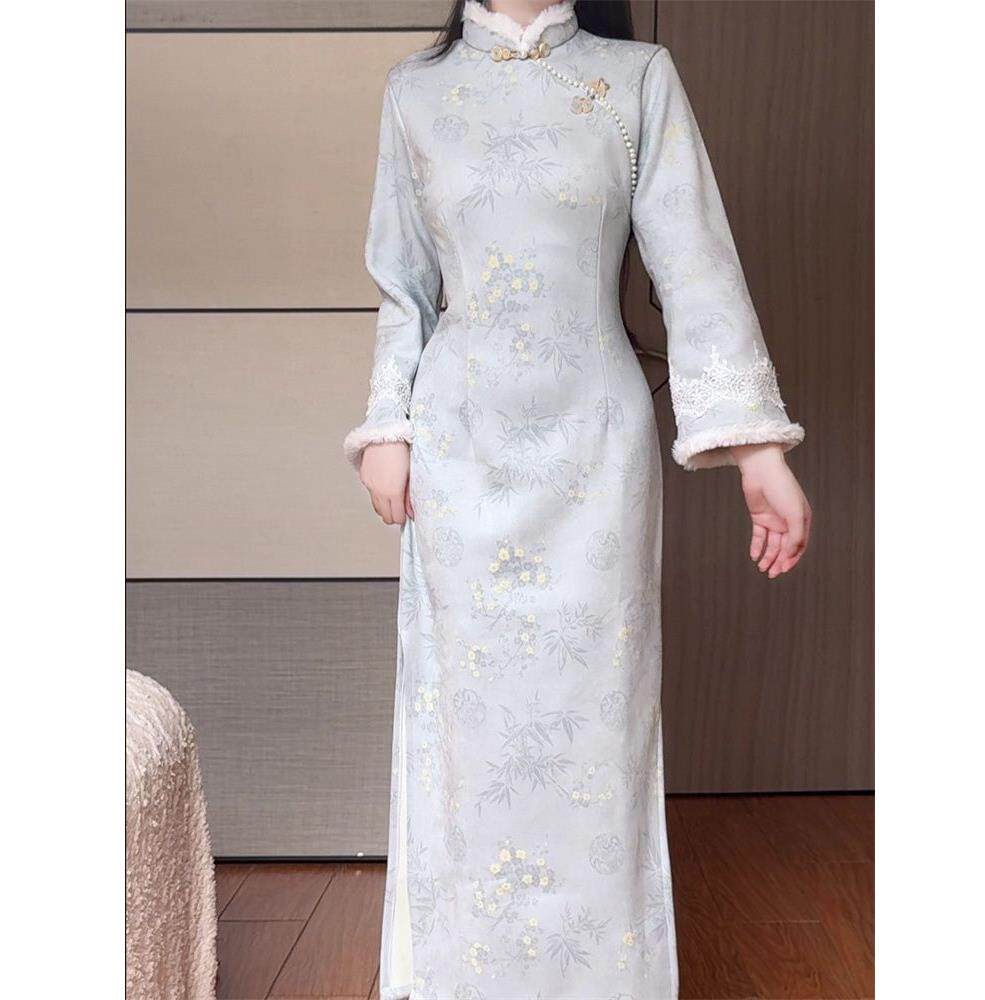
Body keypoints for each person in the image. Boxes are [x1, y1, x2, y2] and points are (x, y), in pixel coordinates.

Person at [344, 2, 811, 997]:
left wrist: (757, 448)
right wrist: (387, 425)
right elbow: (403, 284)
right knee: (467, 727)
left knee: (596, 726)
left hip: (595, 448)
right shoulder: (416, 91)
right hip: (460, 443)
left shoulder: (635, 78)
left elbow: (695, 263)